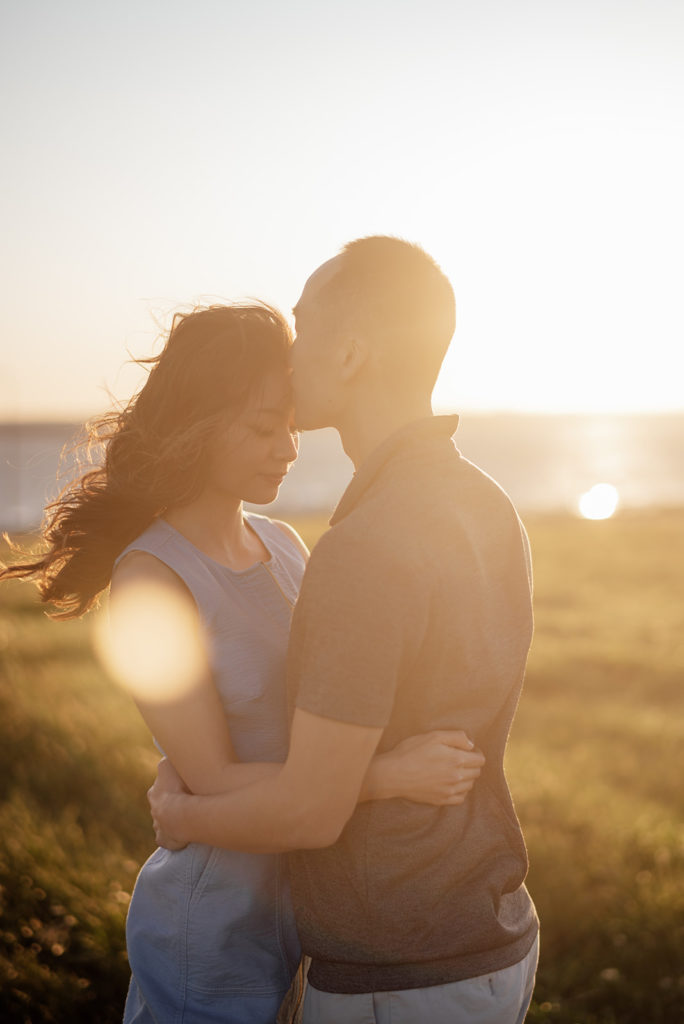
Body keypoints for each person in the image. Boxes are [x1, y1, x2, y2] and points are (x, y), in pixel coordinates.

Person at [0, 301, 485, 1024]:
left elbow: (334, 702)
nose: (288, 449)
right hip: (218, 922)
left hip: (313, 907)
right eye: (263, 428)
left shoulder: (285, 543)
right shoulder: (151, 581)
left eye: (290, 426)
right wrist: (389, 777)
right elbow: (213, 781)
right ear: (194, 425)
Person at [150, 238, 540, 1024]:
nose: (287, 357)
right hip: (494, 937)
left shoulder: (361, 548)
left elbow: (308, 813)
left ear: (353, 352)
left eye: (301, 326)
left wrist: (181, 816)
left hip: (395, 968)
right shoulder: (484, 499)